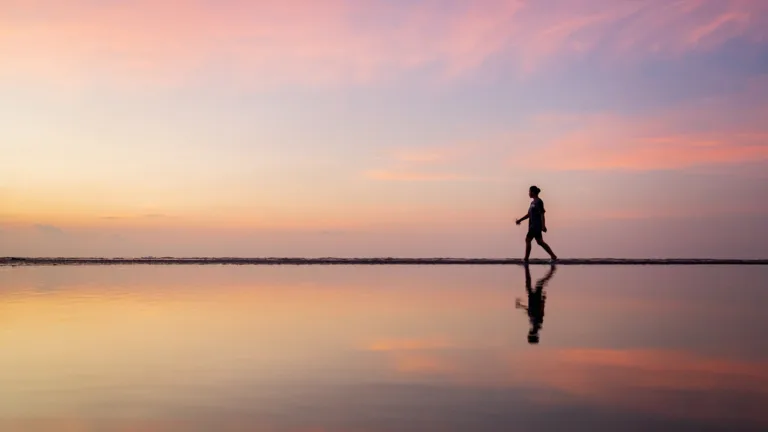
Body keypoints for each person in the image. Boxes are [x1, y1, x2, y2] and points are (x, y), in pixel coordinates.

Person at [516, 263, 556, 344]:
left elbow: (529, 311)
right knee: (539, 283)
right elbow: (541, 311)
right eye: (530, 333)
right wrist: (543, 300)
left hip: (532, 299)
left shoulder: (534, 323)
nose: (529, 332)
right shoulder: (538, 323)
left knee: (531, 284)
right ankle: (552, 271)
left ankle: (550, 271)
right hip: (536, 299)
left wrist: (521, 306)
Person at [515, 185, 557, 262]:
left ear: (533, 192)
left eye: (529, 191)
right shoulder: (532, 203)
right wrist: (520, 220)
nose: (528, 193)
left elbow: (542, 214)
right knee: (540, 242)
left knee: (528, 240)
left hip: (536, 226)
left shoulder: (539, 202)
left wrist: (543, 226)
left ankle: (526, 259)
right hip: (532, 225)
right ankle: (553, 256)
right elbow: (528, 214)